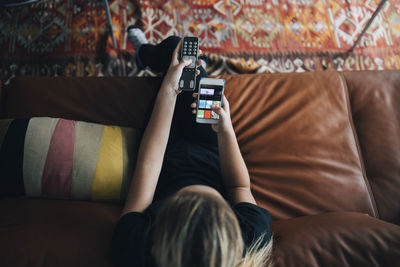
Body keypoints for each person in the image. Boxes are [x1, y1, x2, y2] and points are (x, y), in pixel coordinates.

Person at [112, 28, 273, 267]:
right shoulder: (252, 236)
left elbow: (149, 165)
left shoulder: (136, 245)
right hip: (211, 147)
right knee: (190, 65)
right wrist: (226, 130)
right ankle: (180, 62)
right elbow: (238, 185)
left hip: (163, 153)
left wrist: (169, 90)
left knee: (178, 52)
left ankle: (144, 55)